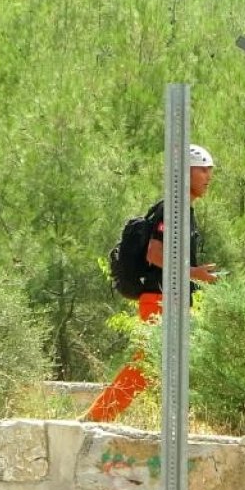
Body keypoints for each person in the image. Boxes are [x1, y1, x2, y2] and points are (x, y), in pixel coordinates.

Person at [81, 144, 220, 422]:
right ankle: (97, 417)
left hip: (173, 300)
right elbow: (155, 255)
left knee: (168, 365)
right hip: (160, 299)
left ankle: (166, 422)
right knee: (147, 363)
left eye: (209, 170)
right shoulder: (172, 208)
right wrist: (195, 273)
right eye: (202, 169)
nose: (208, 176)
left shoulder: (185, 211)